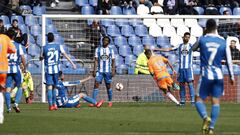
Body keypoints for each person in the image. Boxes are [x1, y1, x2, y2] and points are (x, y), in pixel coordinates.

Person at [192, 19, 234, 134]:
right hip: (219, 75)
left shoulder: (202, 39)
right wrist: (231, 76)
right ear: (216, 27)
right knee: (216, 101)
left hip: (206, 74)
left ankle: (206, 117)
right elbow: (229, 60)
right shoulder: (223, 41)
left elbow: (192, 49)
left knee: (198, 99)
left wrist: (203, 36)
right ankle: (211, 128)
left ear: (206, 28)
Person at [155, 32, 195, 106]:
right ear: (183, 37)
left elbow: (200, 49)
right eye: (186, 37)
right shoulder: (179, 46)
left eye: (188, 37)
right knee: (181, 84)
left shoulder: (191, 46)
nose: (187, 38)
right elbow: (169, 49)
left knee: (190, 84)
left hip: (188, 69)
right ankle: (182, 101)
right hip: (181, 69)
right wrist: (158, 49)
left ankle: (193, 101)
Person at [40, 32, 76, 111]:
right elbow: (65, 55)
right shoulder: (58, 46)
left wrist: (43, 58)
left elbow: (41, 58)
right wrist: (72, 63)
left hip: (48, 70)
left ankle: (50, 105)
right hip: (56, 70)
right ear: (54, 38)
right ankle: (54, 104)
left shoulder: (44, 47)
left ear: (47, 39)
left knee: (49, 87)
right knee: (54, 87)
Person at [5, 29, 26, 113]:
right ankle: (16, 103)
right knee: (20, 86)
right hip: (16, 68)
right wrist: (24, 67)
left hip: (7, 69)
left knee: (7, 89)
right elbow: (23, 57)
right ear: (14, 36)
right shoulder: (18, 45)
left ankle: (9, 108)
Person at [90, 36, 115, 107]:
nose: (105, 42)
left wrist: (113, 70)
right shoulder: (98, 49)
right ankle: (93, 102)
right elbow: (95, 60)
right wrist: (94, 70)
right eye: (104, 40)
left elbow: (113, 61)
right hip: (99, 71)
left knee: (108, 86)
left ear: (108, 42)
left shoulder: (111, 50)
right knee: (96, 84)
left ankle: (110, 101)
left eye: (106, 41)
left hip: (108, 71)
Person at [0, 30, 16, 124]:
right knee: (0, 91)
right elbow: (13, 50)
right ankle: (0, 115)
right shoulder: (5, 38)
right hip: (3, 69)